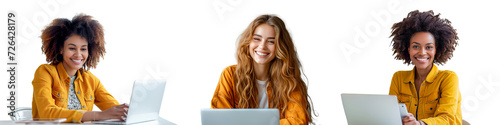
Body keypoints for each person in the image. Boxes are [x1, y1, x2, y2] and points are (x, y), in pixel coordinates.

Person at [210, 14, 315, 125]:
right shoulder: (230, 75)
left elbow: (298, 121)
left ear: (280, 47)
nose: (262, 46)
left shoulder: (290, 81)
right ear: (248, 42)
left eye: (271, 41)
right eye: (257, 39)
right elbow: (219, 120)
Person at [32, 14, 128, 123]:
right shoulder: (45, 72)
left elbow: (114, 109)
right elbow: (47, 113)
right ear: (61, 49)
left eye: (83, 49)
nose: (78, 54)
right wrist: (98, 115)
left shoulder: (91, 80)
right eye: (72, 48)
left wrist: (127, 111)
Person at [389, 10, 461, 125]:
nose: (422, 52)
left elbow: (447, 119)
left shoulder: (448, 78)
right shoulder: (398, 78)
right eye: (416, 46)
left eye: (429, 47)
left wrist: (419, 124)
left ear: (436, 50)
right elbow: (391, 116)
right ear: (408, 49)